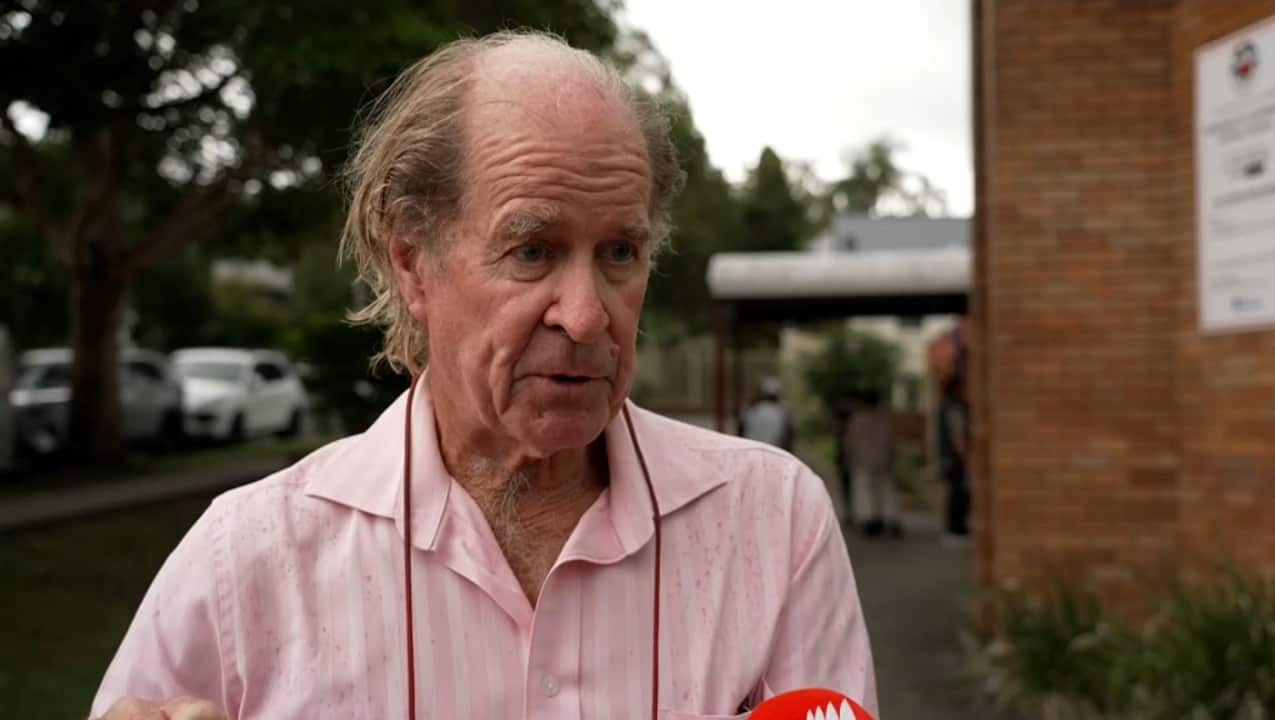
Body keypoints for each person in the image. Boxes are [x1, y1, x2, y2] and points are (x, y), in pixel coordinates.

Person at [92, 32, 877, 719]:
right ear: (412, 260)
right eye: (532, 249)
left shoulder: (772, 525)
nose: (586, 314)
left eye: (619, 254)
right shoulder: (249, 563)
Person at [843, 390, 900, 539]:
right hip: (883, 460)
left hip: (863, 461)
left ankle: (870, 520)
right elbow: (891, 441)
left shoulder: (858, 419)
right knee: (885, 491)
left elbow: (851, 442)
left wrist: (850, 458)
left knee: (865, 491)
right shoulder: (884, 419)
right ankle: (890, 519)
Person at [938, 376, 970, 544]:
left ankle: (955, 529)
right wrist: (965, 458)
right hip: (954, 459)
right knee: (957, 494)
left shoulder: (946, 406)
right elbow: (958, 436)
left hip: (948, 457)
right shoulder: (955, 408)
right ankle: (955, 530)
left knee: (955, 493)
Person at [738, 376, 794, 451]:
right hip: (774, 451)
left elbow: (741, 430)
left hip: (752, 449)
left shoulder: (750, 408)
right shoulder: (783, 410)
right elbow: (789, 435)